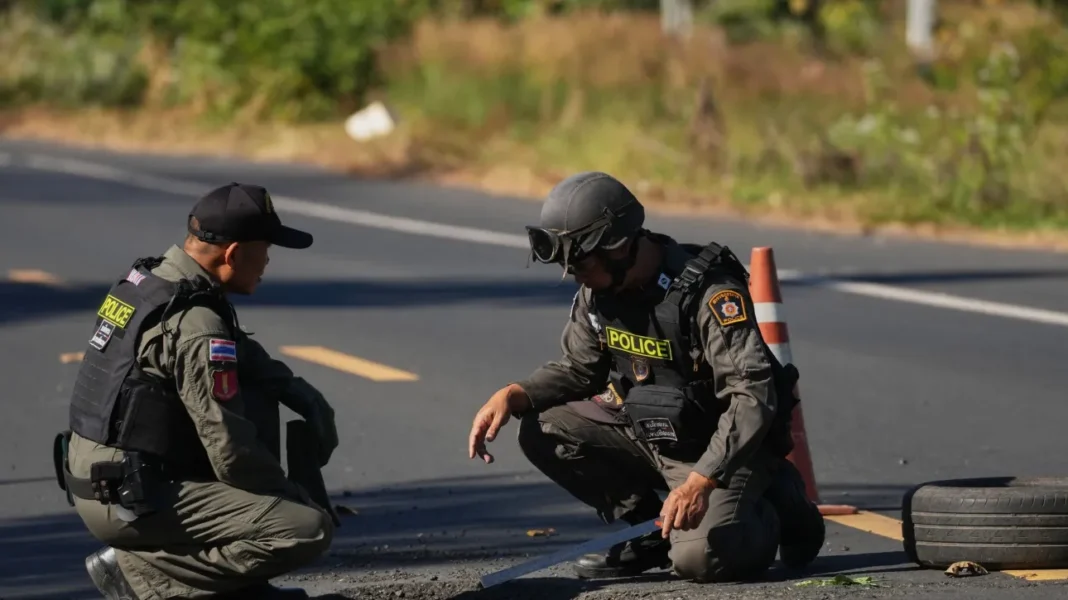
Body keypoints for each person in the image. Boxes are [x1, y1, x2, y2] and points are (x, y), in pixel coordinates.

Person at [467, 171, 825, 583]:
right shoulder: (597, 291)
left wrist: (702, 480)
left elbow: (751, 397)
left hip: (721, 451)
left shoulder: (709, 293)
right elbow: (579, 369)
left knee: (700, 561)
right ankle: (653, 531)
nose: (573, 273)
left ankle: (779, 505)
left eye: (580, 261)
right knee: (542, 429)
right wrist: (513, 395)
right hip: (652, 434)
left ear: (619, 247)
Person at [56, 183, 339, 599]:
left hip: (108, 480)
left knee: (255, 397)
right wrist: (287, 494)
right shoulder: (196, 325)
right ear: (233, 254)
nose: (267, 262)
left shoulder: (154, 283)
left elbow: (244, 354)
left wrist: (305, 397)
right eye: (264, 250)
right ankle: (140, 572)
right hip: (131, 499)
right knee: (303, 529)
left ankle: (229, 584)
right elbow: (230, 451)